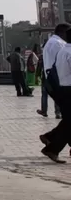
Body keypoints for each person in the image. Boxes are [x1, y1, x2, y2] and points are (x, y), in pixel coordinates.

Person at [39, 24, 71, 164]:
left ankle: (51, 139)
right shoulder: (60, 45)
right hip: (65, 87)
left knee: (69, 121)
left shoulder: (60, 47)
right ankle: (52, 145)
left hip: (59, 85)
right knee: (69, 122)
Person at [41, 28, 65, 120]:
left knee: (47, 94)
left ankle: (47, 111)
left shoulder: (49, 43)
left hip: (47, 73)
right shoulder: (58, 43)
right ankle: (58, 112)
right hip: (56, 72)